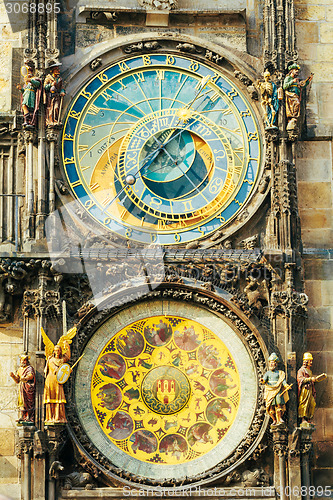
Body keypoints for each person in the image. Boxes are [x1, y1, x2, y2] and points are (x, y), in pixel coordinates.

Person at [297, 352, 327, 427]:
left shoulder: (309, 371)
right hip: (305, 390)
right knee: (304, 403)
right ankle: (303, 419)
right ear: (306, 361)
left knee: (311, 403)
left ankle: (308, 419)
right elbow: (300, 379)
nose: (311, 362)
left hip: (310, 389)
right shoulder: (301, 370)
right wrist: (311, 379)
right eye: (310, 361)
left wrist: (316, 379)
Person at [43, 342, 70, 424]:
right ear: (53, 351)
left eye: (58, 350)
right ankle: (51, 417)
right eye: (55, 351)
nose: (57, 352)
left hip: (59, 381)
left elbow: (68, 357)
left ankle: (59, 416)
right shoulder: (51, 360)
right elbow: (56, 370)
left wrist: (67, 346)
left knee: (59, 398)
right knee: (51, 399)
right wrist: (67, 371)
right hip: (51, 380)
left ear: (60, 351)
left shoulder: (61, 360)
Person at [262, 353, 290, 425]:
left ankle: (279, 418)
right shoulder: (268, 373)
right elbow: (264, 379)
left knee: (279, 404)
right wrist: (263, 381)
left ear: (276, 364)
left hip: (277, 389)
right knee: (270, 406)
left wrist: (286, 385)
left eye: (273, 363)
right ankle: (274, 419)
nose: (271, 364)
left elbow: (282, 380)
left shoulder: (279, 373)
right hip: (270, 390)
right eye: (270, 363)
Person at [283, 63, 313, 130]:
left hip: (296, 96)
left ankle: (294, 117)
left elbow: (301, 86)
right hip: (290, 96)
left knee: (297, 104)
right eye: (295, 70)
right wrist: (292, 81)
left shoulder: (296, 80)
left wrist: (308, 81)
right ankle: (292, 117)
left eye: (297, 70)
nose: (297, 71)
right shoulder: (288, 78)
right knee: (296, 104)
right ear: (291, 71)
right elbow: (284, 86)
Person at [10, 354, 36, 423]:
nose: (23, 362)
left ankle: (29, 417)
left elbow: (31, 375)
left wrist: (26, 378)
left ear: (27, 361)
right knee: (21, 402)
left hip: (28, 387)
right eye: (22, 360)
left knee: (28, 402)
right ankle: (22, 416)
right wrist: (13, 376)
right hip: (21, 387)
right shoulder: (19, 369)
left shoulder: (29, 368)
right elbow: (17, 381)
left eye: (24, 360)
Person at [16, 64, 42, 128]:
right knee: (24, 107)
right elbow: (24, 91)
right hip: (26, 95)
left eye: (29, 72)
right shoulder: (26, 84)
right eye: (28, 72)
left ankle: (28, 119)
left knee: (26, 106)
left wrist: (30, 80)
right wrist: (20, 89)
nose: (28, 73)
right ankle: (27, 120)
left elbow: (38, 84)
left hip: (31, 95)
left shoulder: (34, 79)